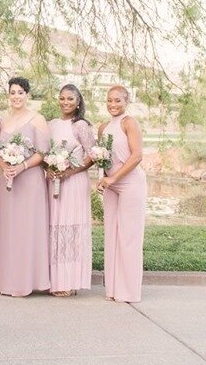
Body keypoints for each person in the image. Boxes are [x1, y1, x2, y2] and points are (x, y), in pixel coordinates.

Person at [0, 77, 50, 297]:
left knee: (26, 228)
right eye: (12, 92)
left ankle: (25, 281)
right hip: (7, 181)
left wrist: (22, 166)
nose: (16, 96)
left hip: (30, 180)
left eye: (20, 92)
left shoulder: (37, 119)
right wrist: (5, 165)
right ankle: (3, 280)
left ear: (27, 95)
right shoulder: (2, 121)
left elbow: (43, 152)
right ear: (8, 95)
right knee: (6, 229)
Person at [95, 84, 147, 303]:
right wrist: (102, 177)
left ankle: (129, 291)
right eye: (109, 100)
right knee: (112, 236)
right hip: (110, 186)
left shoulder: (129, 123)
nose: (113, 104)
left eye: (117, 100)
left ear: (126, 102)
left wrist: (114, 178)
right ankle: (113, 289)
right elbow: (102, 157)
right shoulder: (103, 127)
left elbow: (137, 156)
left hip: (130, 184)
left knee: (128, 237)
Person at [47, 84, 95, 297]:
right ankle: (55, 279)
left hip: (74, 181)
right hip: (54, 181)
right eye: (62, 98)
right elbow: (45, 151)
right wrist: (49, 167)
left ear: (78, 102)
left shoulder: (81, 125)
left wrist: (71, 171)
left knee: (70, 226)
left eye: (70, 99)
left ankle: (70, 281)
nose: (65, 102)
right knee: (55, 225)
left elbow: (93, 154)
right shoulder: (52, 124)